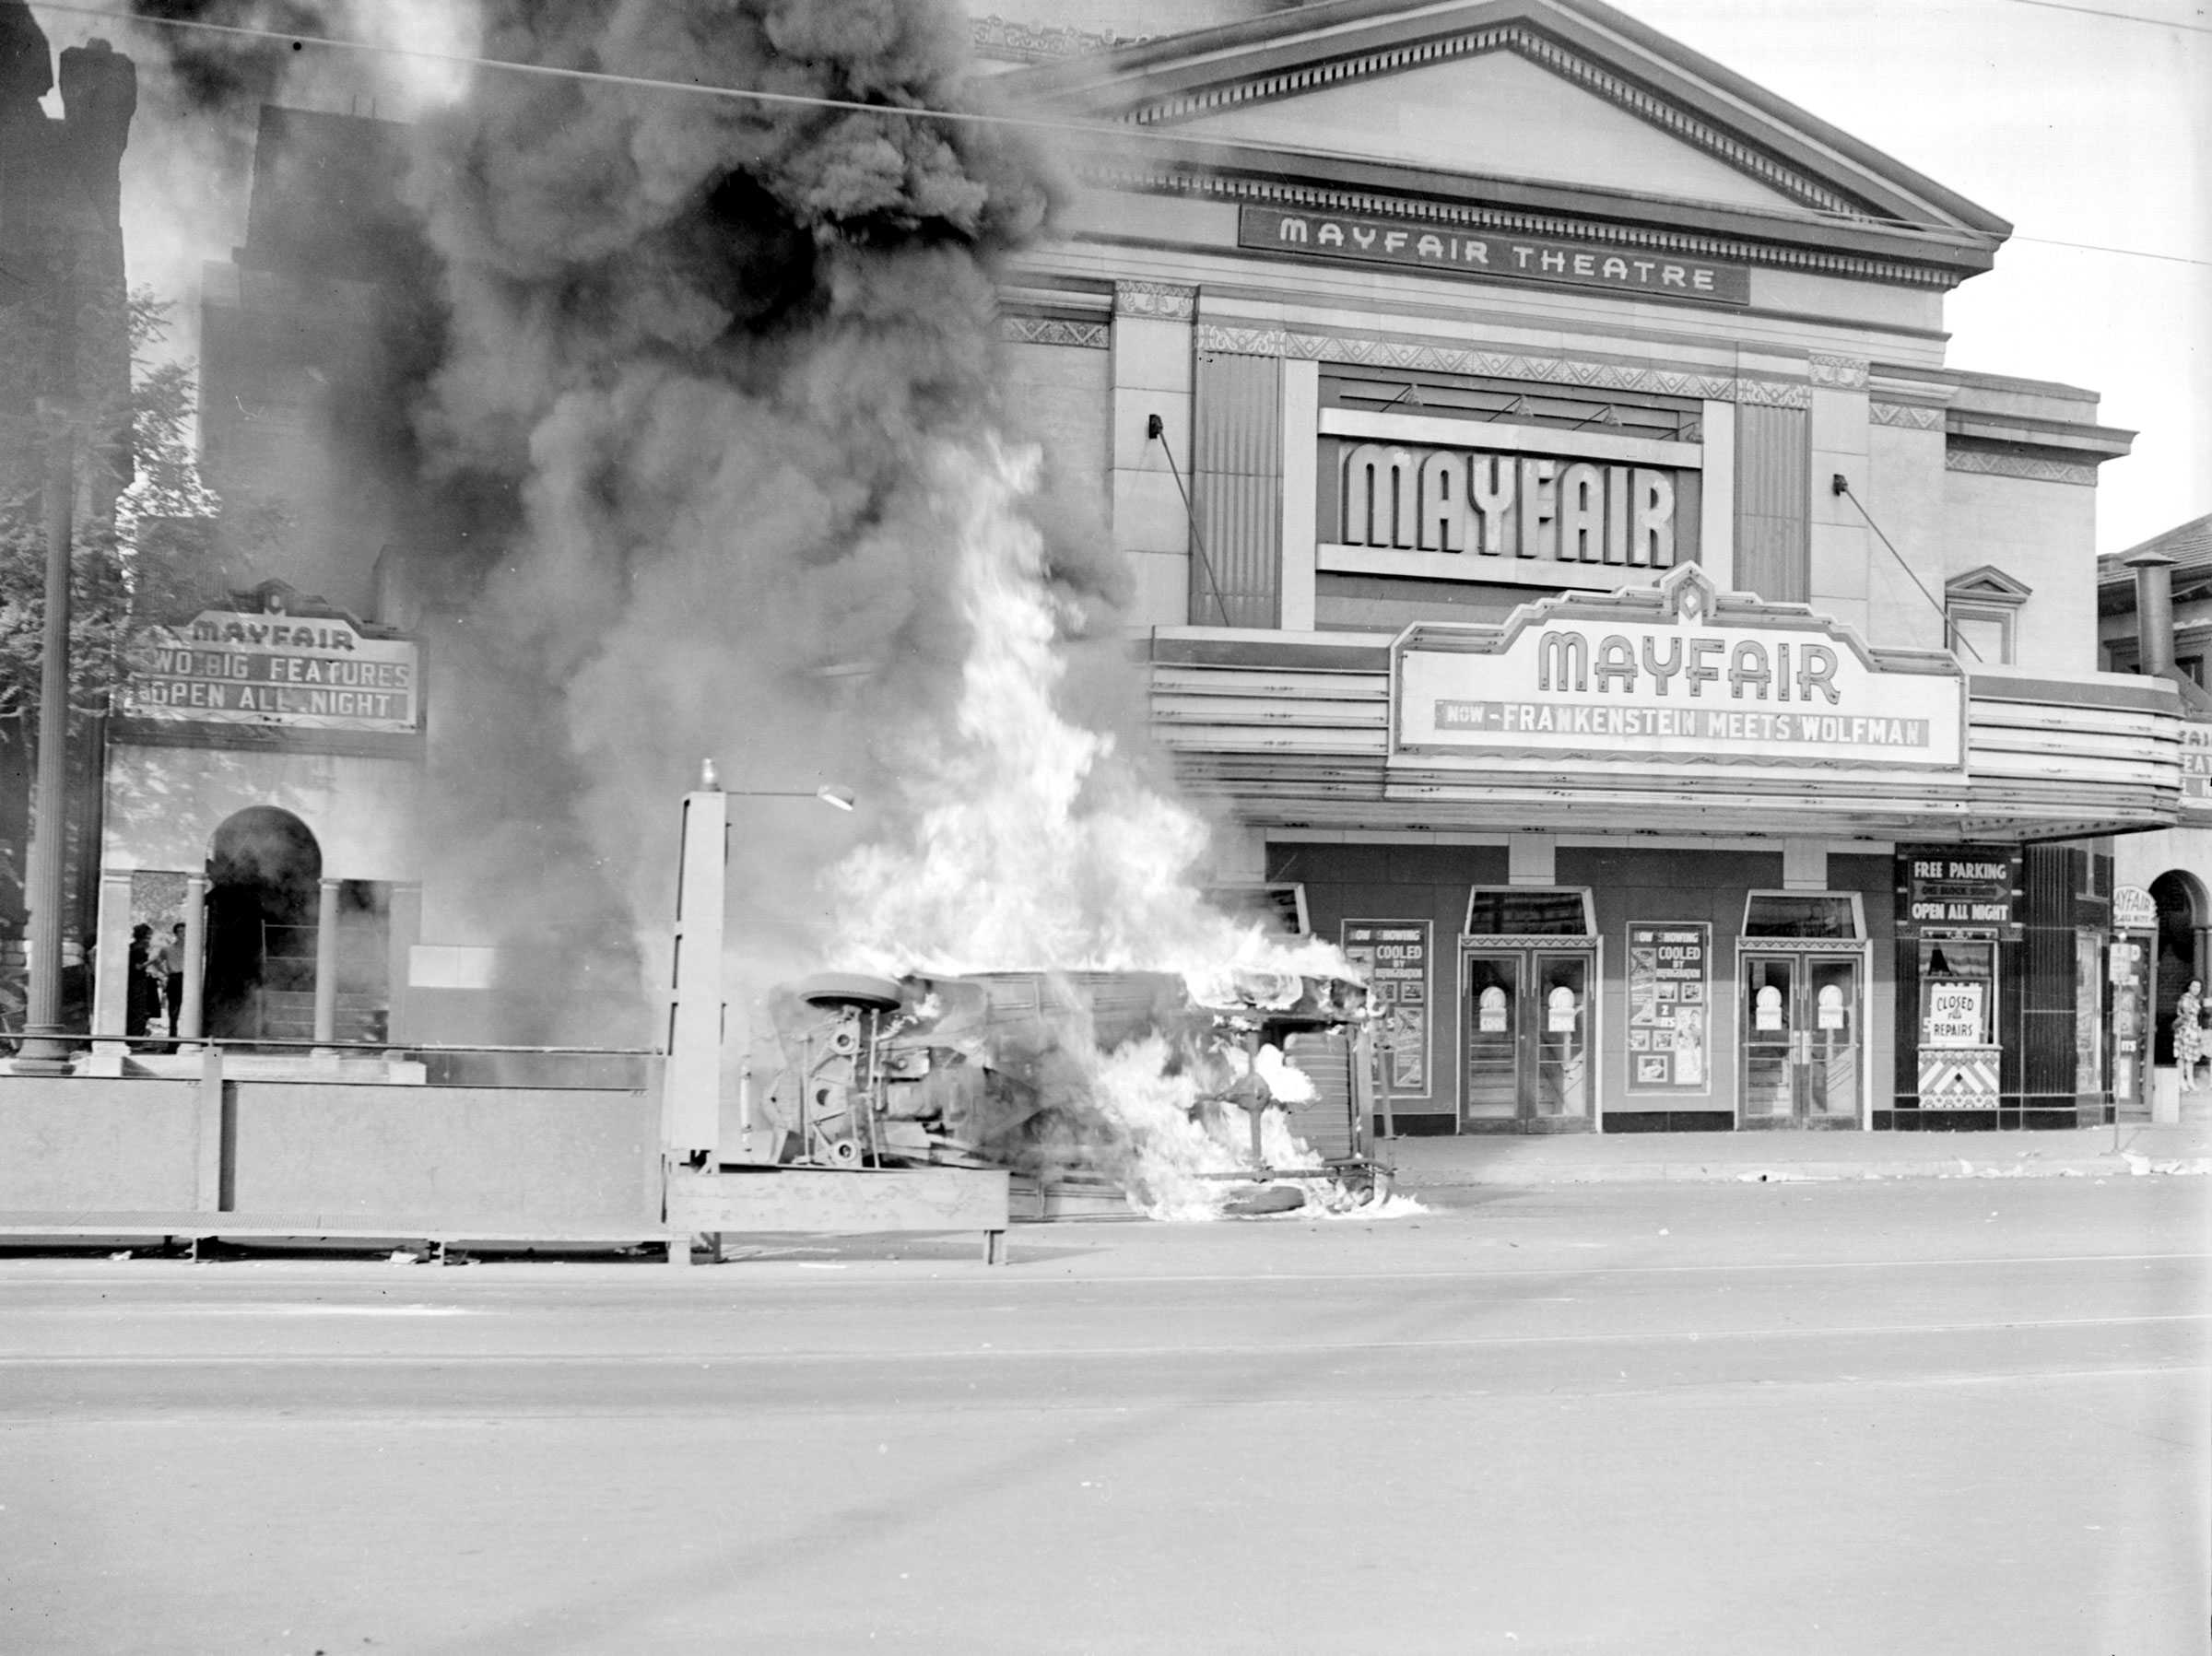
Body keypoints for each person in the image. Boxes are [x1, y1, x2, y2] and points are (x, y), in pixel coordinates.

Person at [157, 922, 188, 1039]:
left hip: (188, 978)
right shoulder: (167, 949)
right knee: (173, 1011)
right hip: (175, 978)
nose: (183, 934)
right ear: (176, 933)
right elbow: (158, 962)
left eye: (185, 931)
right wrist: (165, 974)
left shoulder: (193, 949)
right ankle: (172, 1039)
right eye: (180, 931)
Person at [124, 923, 157, 1038]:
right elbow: (138, 966)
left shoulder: (132, 946)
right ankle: (136, 1035)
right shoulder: (139, 949)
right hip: (138, 981)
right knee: (139, 1009)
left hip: (133, 980)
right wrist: (151, 961)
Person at [2176, 980, 2206, 1094]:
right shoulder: (2186, 998)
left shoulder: (2196, 999)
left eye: (2198, 987)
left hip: (2192, 1029)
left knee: (2190, 1057)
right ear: (2189, 987)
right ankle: (2181, 1080)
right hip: (2185, 1029)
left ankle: (2190, 1080)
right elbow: (2186, 1013)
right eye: (2194, 986)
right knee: (2183, 1056)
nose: (2196, 989)